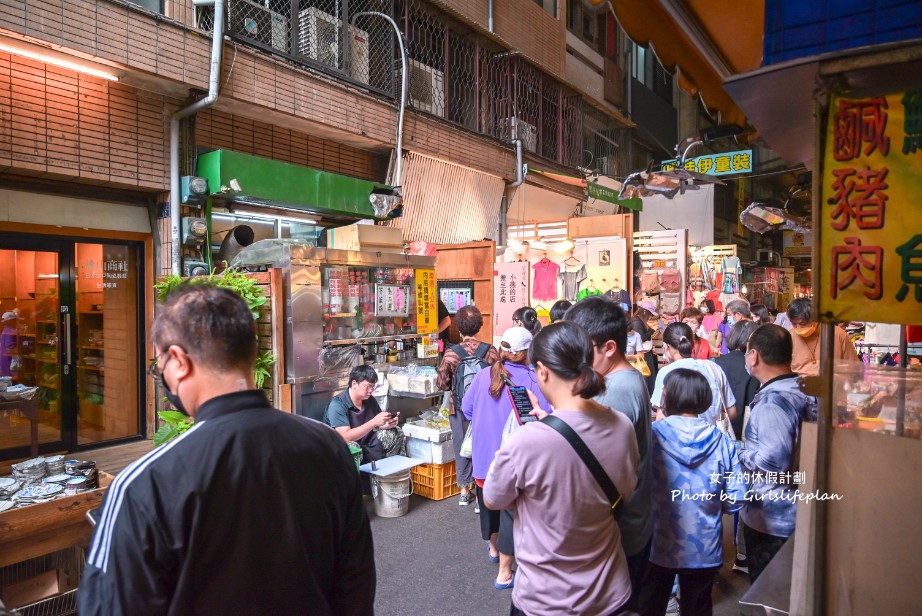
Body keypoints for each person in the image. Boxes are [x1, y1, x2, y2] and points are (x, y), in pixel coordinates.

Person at [78, 283, 375, 615]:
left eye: (159, 364)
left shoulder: (144, 485)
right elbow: (355, 586)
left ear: (177, 361)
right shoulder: (329, 448)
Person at [484, 321, 639, 616]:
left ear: (542, 371)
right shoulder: (622, 425)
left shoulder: (527, 441)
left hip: (546, 601)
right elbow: (626, 489)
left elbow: (493, 498)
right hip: (611, 594)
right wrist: (549, 420)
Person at [565, 297, 653, 610]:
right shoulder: (625, 378)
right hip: (630, 525)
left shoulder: (614, 390)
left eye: (583, 347)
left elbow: (600, 472)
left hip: (618, 533)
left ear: (609, 347)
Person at [640, 369, 746, 616]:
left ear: (668, 397)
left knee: (649, 606)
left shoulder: (650, 437)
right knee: (697, 608)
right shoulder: (722, 442)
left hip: (656, 543)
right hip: (704, 545)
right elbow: (736, 498)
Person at [461, 326, 548, 590]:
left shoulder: (484, 375)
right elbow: (545, 414)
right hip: (516, 463)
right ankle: (508, 567)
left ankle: (494, 547)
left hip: (484, 459)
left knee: (489, 505)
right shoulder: (534, 380)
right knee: (514, 512)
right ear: (525, 353)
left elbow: (466, 409)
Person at [741, 324, 818, 583]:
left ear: (754, 356)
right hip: (804, 509)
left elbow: (773, 461)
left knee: (770, 595)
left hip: (774, 519)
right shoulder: (804, 389)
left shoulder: (773, 401)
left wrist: (738, 453)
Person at [436, 305, 499, 507]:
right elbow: (499, 379)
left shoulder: (452, 354)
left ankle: (464, 490)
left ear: (460, 327)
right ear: (479, 325)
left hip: (459, 407)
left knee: (462, 446)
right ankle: (484, 495)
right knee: (485, 445)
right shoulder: (490, 351)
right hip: (486, 407)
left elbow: (442, 384)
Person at [712, 319, 761, 575]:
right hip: (745, 438)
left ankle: (714, 553)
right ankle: (741, 554)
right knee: (743, 494)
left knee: (716, 496)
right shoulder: (755, 367)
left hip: (720, 436)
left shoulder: (717, 364)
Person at [650, 322, 737, 426]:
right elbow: (732, 412)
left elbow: (661, 419)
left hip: (677, 439)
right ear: (692, 344)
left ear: (667, 347)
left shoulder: (666, 372)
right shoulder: (714, 368)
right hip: (711, 438)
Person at [325, 365, 398, 465]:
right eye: (367, 386)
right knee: (352, 446)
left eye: (373, 387)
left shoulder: (369, 399)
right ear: (354, 383)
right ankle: (356, 479)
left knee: (395, 432)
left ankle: (387, 473)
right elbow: (345, 437)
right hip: (340, 450)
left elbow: (377, 425)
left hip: (366, 443)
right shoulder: (337, 405)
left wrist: (387, 424)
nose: (370, 391)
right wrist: (373, 422)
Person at [786, 297, 858, 376]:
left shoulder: (838, 334)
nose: (798, 328)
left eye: (803, 324)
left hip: (832, 384)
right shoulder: (789, 337)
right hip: (797, 385)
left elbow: (853, 367)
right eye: (794, 324)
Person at [631, 301, 660, 392]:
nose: (650, 317)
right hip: (643, 355)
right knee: (647, 381)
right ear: (645, 312)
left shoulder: (640, 321)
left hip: (646, 354)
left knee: (650, 380)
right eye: (650, 314)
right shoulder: (636, 322)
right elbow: (640, 338)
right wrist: (652, 330)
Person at [0, 311, 18, 377]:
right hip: (9, 362)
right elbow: (10, 348)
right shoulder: (10, 331)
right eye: (14, 320)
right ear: (11, 321)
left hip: (3, 361)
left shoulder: (4, 330)